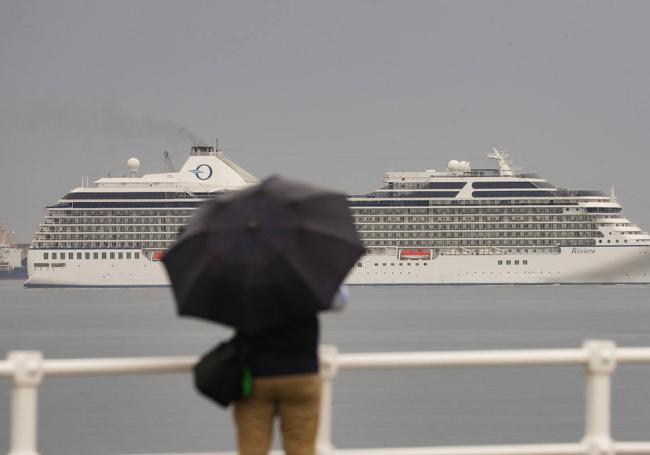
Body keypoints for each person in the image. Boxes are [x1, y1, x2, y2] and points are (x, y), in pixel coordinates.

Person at [233, 285, 348, 455]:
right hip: (301, 372)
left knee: (252, 449)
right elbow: (340, 302)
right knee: (301, 449)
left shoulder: (244, 275)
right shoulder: (305, 273)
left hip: (256, 375)